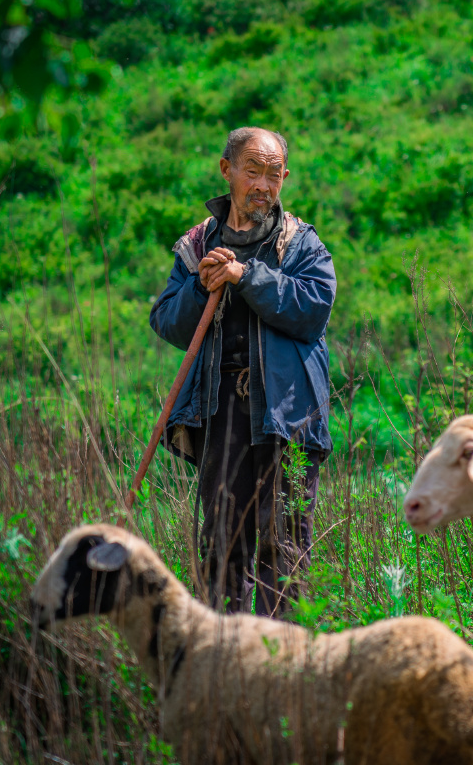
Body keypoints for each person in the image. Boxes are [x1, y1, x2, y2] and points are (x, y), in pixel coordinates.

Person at [149, 127, 336, 615]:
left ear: (285, 179)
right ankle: (225, 663)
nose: (263, 185)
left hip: (288, 415)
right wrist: (200, 285)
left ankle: (283, 665)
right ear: (226, 171)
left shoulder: (301, 243)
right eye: (252, 171)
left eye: (274, 175)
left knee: (286, 545)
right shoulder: (196, 246)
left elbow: (313, 308)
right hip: (221, 412)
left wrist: (246, 275)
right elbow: (167, 321)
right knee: (222, 542)